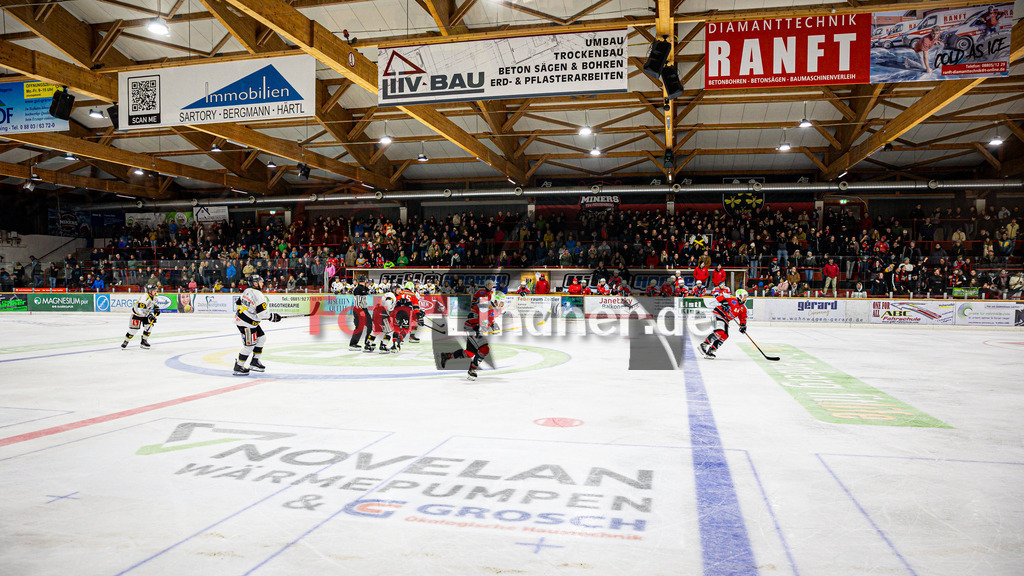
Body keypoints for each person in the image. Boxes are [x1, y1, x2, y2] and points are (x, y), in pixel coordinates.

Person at [438, 279, 501, 381]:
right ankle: (472, 371)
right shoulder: (484, 304)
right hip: (472, 328)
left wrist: (493, 325)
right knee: (484, 349)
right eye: (500, 302)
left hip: (474, 328)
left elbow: (488, 319)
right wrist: (476, 325)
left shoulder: (491, 308)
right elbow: (472, 314)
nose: (500, 304)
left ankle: (447, 356)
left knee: (470, 353)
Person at [233, 274, 281, 375]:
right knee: (249, 346)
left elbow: (237, 303)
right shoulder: (258, 295)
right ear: (255, 283)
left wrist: (250, 312)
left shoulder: (247, 291)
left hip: (247, 321)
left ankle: (254, 362)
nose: (262, 283)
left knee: (262, 338)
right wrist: (273, 317)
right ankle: (239, 366)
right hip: (246, 323)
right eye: (260, 281)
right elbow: (262, 314)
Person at [699, 288, 748, 359]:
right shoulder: (732, 298)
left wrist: (743, 325)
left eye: (746, 296)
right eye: (744, 296)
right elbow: (718, 295)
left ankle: (711, 350)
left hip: (725, 319)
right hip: (718, 314)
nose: (745, 298)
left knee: (724, 335)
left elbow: (743, 318)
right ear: (739, 296)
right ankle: (704, 345)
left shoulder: (743, 308)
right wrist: (724, 302)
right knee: (720, 332)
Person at [121, 283, 160, 349]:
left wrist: (156, 308)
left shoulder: (155, 296)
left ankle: (144, 341)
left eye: (156, 290)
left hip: (146, 314)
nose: (156, 291)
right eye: (154, 290)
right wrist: (149, 316)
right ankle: (126, 341)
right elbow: (140, 311)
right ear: (149, 291)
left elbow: (154, 304)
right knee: (133, 330)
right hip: (137, 314)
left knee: (149, 327)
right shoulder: (144, 298)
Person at [349, 275, 371, 351]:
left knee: (370, 325)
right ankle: (353, 344)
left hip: (364, 309)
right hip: (359, 309)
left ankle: (368, 342)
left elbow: (368, 291)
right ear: (365, 280)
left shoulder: (364, 288)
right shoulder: (358, 289)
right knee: (359, 327)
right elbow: (358, 302)